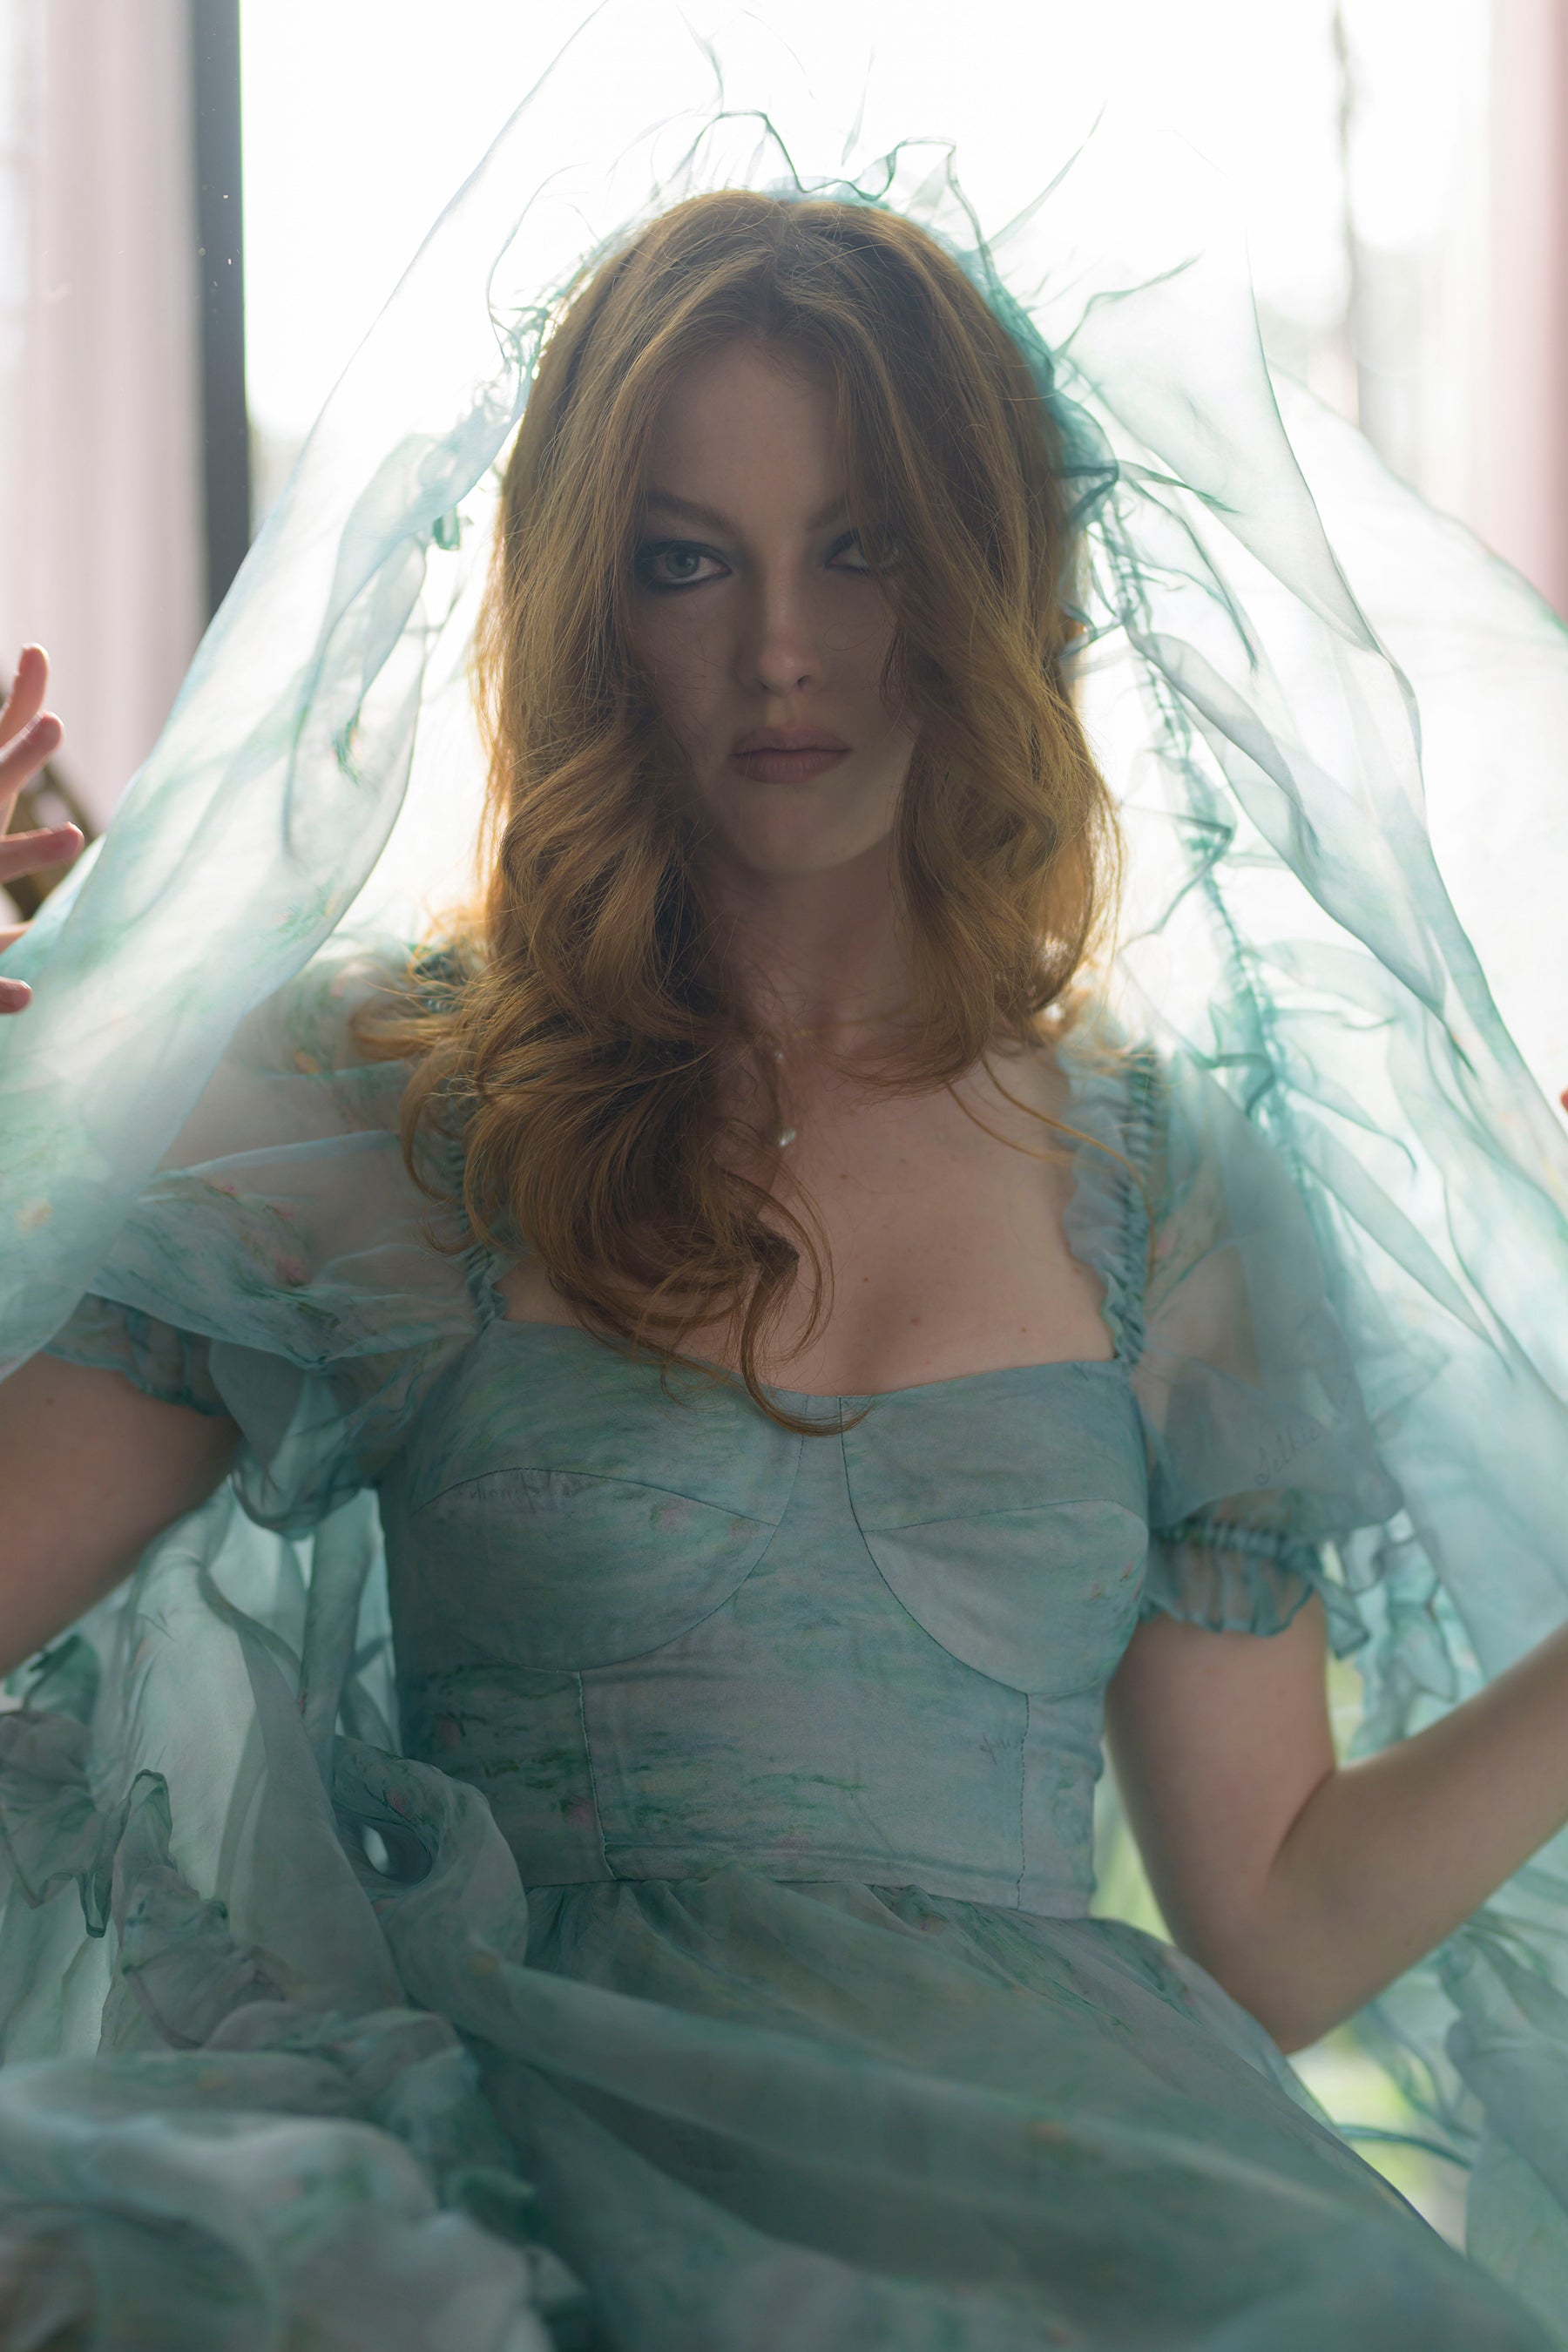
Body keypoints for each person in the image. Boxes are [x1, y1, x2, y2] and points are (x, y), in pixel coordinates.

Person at [1, 87, 1567, 2352]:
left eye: (862, 548)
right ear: (585, 601)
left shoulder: (1170, 1190)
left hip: (1066, 2222)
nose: (783, 653)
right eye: (686, 559)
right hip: (519, 2208)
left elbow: (1272, 1918)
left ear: (989, 583)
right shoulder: (380, 1104)